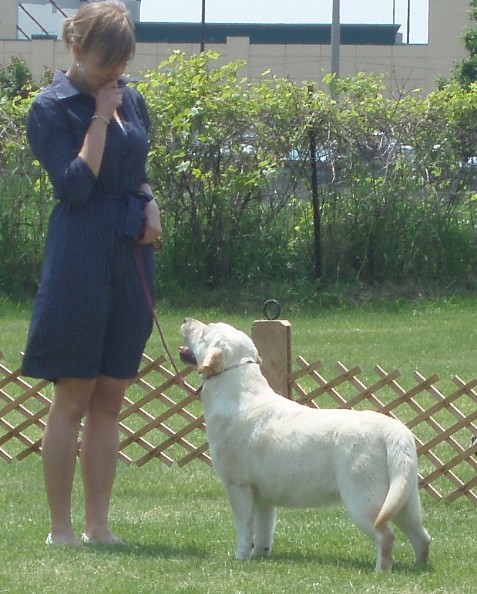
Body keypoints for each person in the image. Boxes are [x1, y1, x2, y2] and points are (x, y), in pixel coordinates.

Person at [22, 0, 162, 546]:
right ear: (76, 48)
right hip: (79, 256)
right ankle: (61, 530)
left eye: (123, 62)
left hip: (129, 254)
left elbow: (137, 171)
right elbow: (76, 185)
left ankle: (98, 527)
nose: (116, 72)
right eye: (108, 61)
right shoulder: (50, 107)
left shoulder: (134, 98)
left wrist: (150, 202)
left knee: (110, 398)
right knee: (74, 397)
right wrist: (101, 116)